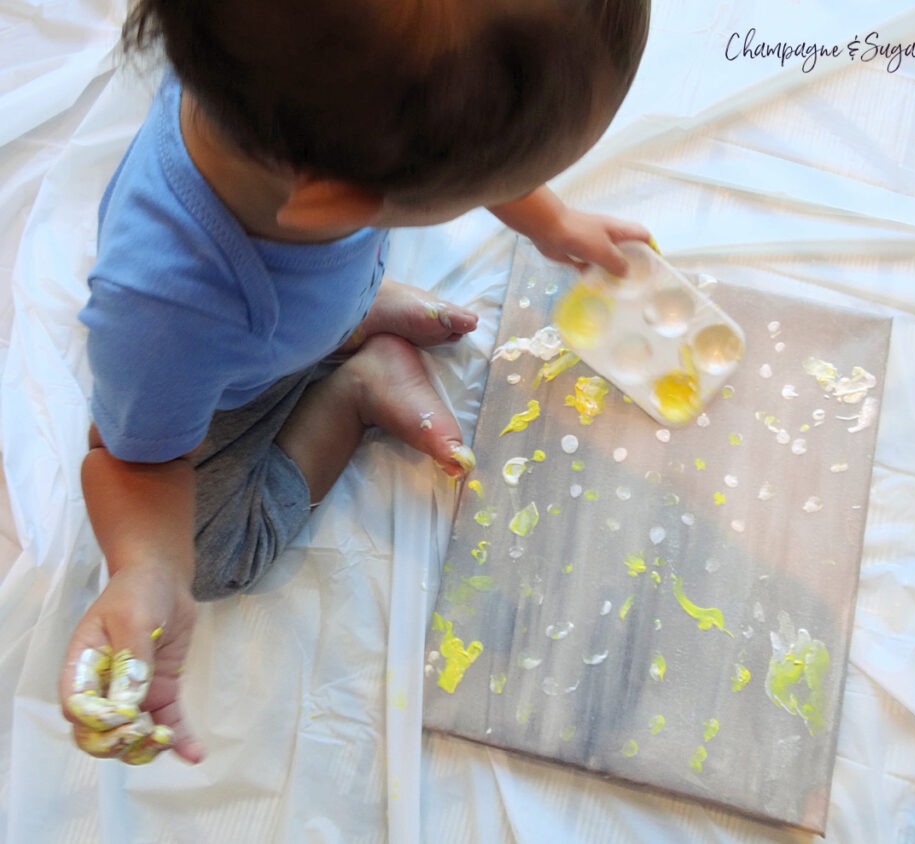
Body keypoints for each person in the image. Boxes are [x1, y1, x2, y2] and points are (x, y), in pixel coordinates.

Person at [60, 0, 652, 765]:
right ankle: (355, 388)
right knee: (210, 560)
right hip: (232, 383)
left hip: (303, 305)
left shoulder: (278, 73)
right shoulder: (167, 315)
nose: (518, 193)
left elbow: (471, 149)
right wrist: (146, 568)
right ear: (341, 204)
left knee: (336, 288)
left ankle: (349, 318)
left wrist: (550, 219)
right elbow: (130, 459)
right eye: (516, 180)